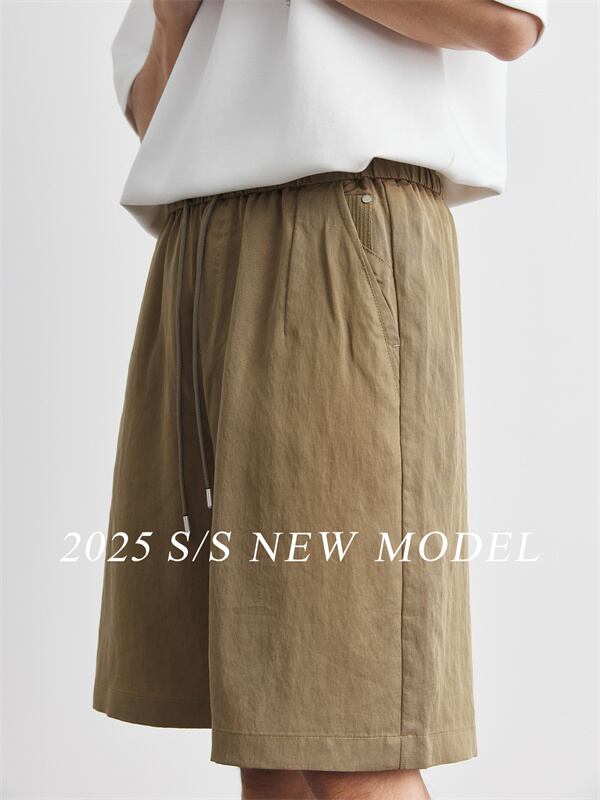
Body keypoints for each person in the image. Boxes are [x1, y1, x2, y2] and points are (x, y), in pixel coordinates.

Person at [93, 1, 547, 798]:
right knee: (268, 727)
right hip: (200, 243)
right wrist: (172, 19)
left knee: (351, 730)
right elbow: (157, 121)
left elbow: (506, 24)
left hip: (342, 221)